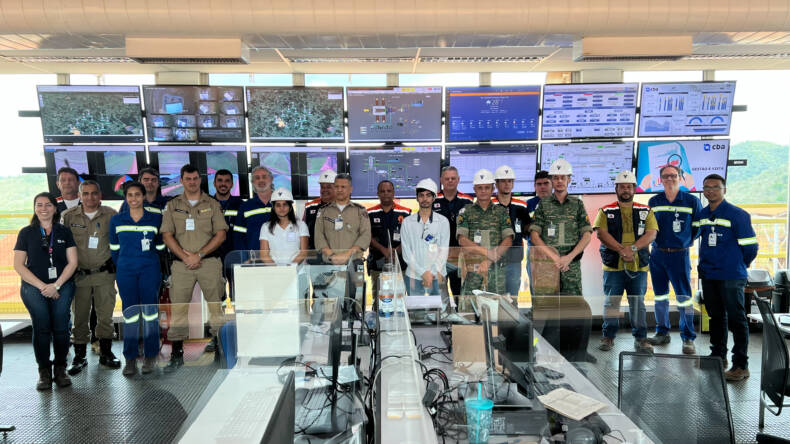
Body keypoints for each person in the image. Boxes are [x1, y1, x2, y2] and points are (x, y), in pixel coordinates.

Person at [160, 164, 228, 371]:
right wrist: (186, 257)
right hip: (181, 264)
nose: (192, 182)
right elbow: (167, 235)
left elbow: (221, 234)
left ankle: (221, 351)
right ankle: (177, 355)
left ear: (200, 180)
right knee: (178, 308)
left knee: (216, 307)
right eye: (188, 179)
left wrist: (199, 255)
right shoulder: (172, 205)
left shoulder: (212, 204)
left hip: (209, 262)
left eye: (195, 178)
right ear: (181, 180)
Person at [13, 192, 78, 390]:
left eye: (48, 204)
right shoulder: (26, 233)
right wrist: (44, 287)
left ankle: (60, 368)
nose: (43, 208)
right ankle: (44, 371)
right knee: (41, 327)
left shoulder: (64, 232)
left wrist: (56, 285)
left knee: (61, 327)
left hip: (62, 285)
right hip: (34, 287)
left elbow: (73, 262)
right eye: (39, 205)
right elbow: (19, 265)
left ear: (55, 208)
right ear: (34, 208)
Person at [697, 174, 758, 381]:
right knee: (715, 317)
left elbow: (751, 247)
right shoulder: (703, 214)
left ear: (724, 190)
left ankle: (741, 365)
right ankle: (718, 356)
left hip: (731, 275)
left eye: (715, 187)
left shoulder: (738, 215)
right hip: (709, 274)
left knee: (736, 319)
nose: (710, 190)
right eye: (707, 187)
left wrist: (740, 264)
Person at [593, 171, 658, 353]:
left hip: (638, 265)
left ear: (634, 189)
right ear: (616, 189)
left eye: (629, 187)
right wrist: (622, 250)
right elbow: (601, 233)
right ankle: (608, 337)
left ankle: (641, 338)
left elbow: (652, 233)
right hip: (613, 265)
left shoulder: (646, 210)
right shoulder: (606, 210)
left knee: (637, 303)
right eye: (622, 187)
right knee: (612, 302)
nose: (626, 190)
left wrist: (633, 249)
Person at [61, 180, 120, 374]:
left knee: (105, 316)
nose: (90, 197)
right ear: (79, 195)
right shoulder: (68, 217)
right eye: (85, 193)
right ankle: (80, 356)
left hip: (104, 274)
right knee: (79, 316)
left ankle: (106, 352)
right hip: (79, 276)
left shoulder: (111, 215)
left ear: (100, 195)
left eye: (94, 193)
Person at [109, 182, 165, 376]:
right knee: (130, 314)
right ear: (126, 198)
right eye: (130, 195)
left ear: (143, 197)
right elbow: (114, 250)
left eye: (137, 195)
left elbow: (160, 247)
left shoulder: (155, 218)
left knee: (150, 313)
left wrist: (151, 264)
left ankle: (151, 355)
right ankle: (130, 358)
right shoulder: (117, 220)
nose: (134, 198)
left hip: (150, 270)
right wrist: (125, 265)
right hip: (126, 272)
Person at [647, 164, 702, 354]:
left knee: (684, 298)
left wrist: (684, 241)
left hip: (680, 255)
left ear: (680, 177)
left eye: (673, 175)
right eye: (665, 176)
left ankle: (688, 338)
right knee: (660, 296)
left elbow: (698, 227)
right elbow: (648, 228)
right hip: (658, 254)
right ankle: (662, 332)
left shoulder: (692, 201)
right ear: (660, 180)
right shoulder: (654, 201)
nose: (669, 179)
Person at [529, 159, 592, 296]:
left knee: (572, 305)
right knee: (547, 305)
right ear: (552, 180)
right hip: (547, 265)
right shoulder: (543, 205)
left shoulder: (577, 204)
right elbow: (534, 236)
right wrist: (555, 258)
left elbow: (587, 234)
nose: (559, 181)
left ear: (569, 180)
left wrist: (569, 257)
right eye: (556, 178)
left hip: (571, 266)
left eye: (563, 178)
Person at [314, 174, 371, 310]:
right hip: (329, 265)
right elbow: (319, 236)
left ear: (351, 189)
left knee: (355, 306)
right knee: (330, 308)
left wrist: (347, 255)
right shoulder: (324, 211)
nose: (339, 190)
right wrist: (332, 256)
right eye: (337, 186)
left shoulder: (360, 211)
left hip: (353, 264)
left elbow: (365, 236)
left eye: (343, 187)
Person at [456, 169, 514, 298]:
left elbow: (508, 239)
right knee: (469, 304)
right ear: (474, 189)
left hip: (496, 270)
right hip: (473, 270)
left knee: (496, 304)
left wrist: (488, 260)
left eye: (487, 187)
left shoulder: (501, 212)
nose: (483, 191)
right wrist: (488, 253)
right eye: (480, 187)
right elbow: (462, 240)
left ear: (493, 189)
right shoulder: (466, 211)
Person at [400, 178, 450, 297]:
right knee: (416, 308)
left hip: (437, 275)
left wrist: (431, 274)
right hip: (414, 277)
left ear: (434, 198)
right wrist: (423, 273)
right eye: (421, 195)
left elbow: (443, 251)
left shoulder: (443, 221)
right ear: (417, 198)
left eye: (428, 195)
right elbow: (406, 253)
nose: (425, 199)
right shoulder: (407, 222)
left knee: (439, 308)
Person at [434, 166, 474, 303]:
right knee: (440, 293)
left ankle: (459, 315)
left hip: (460, 256)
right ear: (441, 180)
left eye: (453, 178)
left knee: (459, 292)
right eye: (447, 178)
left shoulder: (467, 201)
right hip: (439, 256)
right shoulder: (433, 199)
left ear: (458, 180)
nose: (450, 181)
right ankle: (443, 316)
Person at [367, 180, 411, 301]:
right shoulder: (369, 213)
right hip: (378, 264)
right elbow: (367, 236)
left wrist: (396, 251)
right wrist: (383, 250)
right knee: (379, 300)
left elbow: (409, 236)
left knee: (400, 299)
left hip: (400, 264)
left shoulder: (405, 212)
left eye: (389, 191)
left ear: (393, 193)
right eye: (382, 191)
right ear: (378, 194)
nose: (386, 193)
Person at [492, 165, 531, 298]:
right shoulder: (490, 205)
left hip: (514, 258)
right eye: (503, 181)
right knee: (494, 297)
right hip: (494, 258)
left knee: (512, 297)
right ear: (496, 184)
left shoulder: (521, 205)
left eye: (509, 181)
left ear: (513, 183)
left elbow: (527, 228)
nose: (507, 184)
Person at [212, 169, 243, 301]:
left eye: (227, 181)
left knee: (239, 295)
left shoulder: (240, 205)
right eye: (220, 180)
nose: (223, 184)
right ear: (214, 183)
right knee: (217, 296)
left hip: (235, 256)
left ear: (232, 184)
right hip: (213, 256)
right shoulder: (206, 204)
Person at [259, 188, 309, 265]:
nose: (281, 208)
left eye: (285, 204)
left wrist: (290, 268)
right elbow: (264, 255)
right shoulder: (266, 227)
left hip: (297, 270)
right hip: (274, 271)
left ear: (290, 207)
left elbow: (303, 253)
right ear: (273, 207)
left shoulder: (301, 225)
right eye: (278, 205)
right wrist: (278, 270)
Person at [233, 166, 273, 254]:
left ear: (271, 179)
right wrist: (245, 259)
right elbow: (239, 238)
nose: (261, 180)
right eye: (257, 178)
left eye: (264, 177)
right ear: (252, 182)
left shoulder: (282, 204)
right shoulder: (245, 207)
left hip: (280, 258)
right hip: (254, 259)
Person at [526, 170, 552, 294]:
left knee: (557, 290)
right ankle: (536, 307)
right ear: (534, 186)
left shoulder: (560, 202)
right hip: (535, 253)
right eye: (539, 184)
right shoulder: (528, 205)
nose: (542, 187)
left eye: (546, 183)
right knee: (536, 288)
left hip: (556, 252)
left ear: (552, 184)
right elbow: (523, 229)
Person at [304, 169, 337, 251]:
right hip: (314, 254)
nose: (324, 190)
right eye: (322, 187)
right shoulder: (310, 206)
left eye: (329, 187)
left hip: (337, 254)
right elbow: (303, 232)